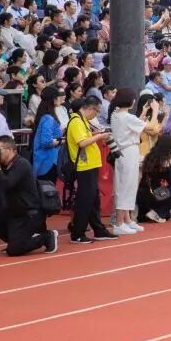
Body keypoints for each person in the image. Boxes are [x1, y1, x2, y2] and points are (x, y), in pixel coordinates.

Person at [0, 136, 59, 256]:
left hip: (29, 214)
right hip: (13, 212)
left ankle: (46, 236)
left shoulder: (21, 164)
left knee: (14, 251)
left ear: (10, 149)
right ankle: (15, 241)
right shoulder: (2, 165)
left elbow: (7, 184)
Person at [66, 97, 116, 244]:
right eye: (97, 111)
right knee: (85, 200)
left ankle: (99, 230)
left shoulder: (82, 121)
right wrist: (100, 136)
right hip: (84, 166)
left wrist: (96, 134)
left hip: (90, 164)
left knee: (93, 200)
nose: (96, 115)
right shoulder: (76, 121)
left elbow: (86, 137)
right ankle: (77, 233)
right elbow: (82, 142)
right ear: (90, 108)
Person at [110, 89, 159, 234]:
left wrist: (143, 112)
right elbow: (150, 127)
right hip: (128, 151)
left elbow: (135, 124)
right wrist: (155, 111)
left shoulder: (116, 114)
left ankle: (127, 220)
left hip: (124, 151)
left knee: (127, 186)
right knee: (126, 187)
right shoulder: (126, 117)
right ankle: (119, 223)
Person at [31, 87, 65, 181]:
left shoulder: (44, 116)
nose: (60, 99)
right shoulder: (48, 118)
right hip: (47, 162)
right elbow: (46, 142)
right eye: (58, 97)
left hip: (45, 160)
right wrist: (62, 141)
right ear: (53, 99)